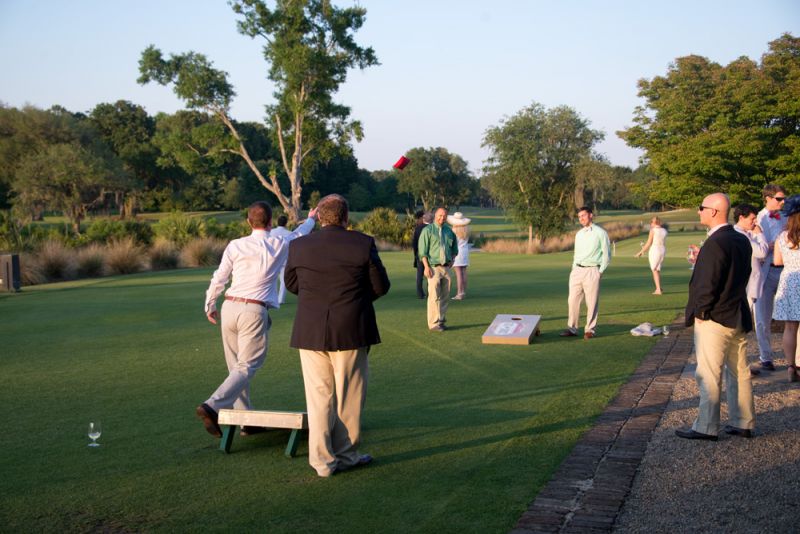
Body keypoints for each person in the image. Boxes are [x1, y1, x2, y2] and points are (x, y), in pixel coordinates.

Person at [285, 194, 390, 477]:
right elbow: (380, 286)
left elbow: (292, 284)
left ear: (319, 217)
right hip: (351, 328)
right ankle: (345, 454)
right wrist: (354, 300)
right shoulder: (362, 243)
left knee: (318, 398)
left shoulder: (299, 245)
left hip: (310, 330)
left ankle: (322, 462)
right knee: (349, 396)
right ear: (346, 218)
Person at [196, 202, 318, 438]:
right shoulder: (279, 242)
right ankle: (213, 405)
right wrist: (311, 218)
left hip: (230, 306)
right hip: (253, 310)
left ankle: (246, 421)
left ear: (249, 222)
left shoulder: (235, 244)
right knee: (247, 366)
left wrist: (210, 303)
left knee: (236, 367)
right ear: (271, 222)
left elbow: (220, 276)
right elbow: (300, 234)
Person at [675, 193, 755, 441]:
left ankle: (706, 426)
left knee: (708, 373)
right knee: (739, 371)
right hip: (737, 314)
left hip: (715, 317)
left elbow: (707, 284)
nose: (698, 211)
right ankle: (743, 421)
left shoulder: (716, 243)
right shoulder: (741, 240)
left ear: (713, 211)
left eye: (701, 208)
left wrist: (701, 312)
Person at [560, 206, 611, 339]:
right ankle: (572, 328)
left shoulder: (600, 233)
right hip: (577, 270)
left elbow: (607, 254)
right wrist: (573, 269)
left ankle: (590, 330)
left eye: (583, 215)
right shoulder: (579, 234)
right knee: (572, 300)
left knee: (592, 301)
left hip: (592, 270)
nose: (581, 219)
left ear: (590, 215)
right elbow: (576, 254)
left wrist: (600, 271)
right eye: (579, 217)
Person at [733, 203, 769, 377]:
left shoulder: (745, 234)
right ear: (741, 217)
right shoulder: (742, 235)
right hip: (746, 287)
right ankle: (740, 367)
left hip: (751, 285)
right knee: (741, 329)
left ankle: (742, 365)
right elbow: (761, 252)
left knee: (744, 329)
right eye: (752, 218)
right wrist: (760, 235)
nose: (755, 222)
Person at [754, 184, 788, 371]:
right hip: (766, 271)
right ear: (767, 198)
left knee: (792, 315)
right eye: (778, 198)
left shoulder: (787, 216)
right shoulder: (758, 218)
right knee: (762, 317)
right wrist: (772, 245)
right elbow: (756, 247)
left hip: (786, 270)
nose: (782, 202)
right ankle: (765, 356)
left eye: (783, 199)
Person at [771, 194, 800, 383]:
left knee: (790, 327)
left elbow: (777, 261)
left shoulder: (782, 236)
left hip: (789, 280)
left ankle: (790, 366)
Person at [419, 207, 458, 331]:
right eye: (440, 215)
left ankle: (441, 320)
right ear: (435, 215)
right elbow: (422, 252)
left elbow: (455, 249)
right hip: (433, 268)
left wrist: (453, 259)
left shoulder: (449, 231)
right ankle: (433, 323)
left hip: (446, 268)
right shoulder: (427, 230)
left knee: (445, 296)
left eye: (444, 216)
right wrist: (426, 267)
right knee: (434, 296)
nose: (442, 218)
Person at [635, 216, 668, 295]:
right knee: (657, 269)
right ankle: (658, 287)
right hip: (662, 249)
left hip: (655, 249)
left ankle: (658, 289)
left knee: (654, 270)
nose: (650, 224)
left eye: (651, 223)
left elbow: (649, 243)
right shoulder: (664, 230)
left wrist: (640, 252)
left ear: (653, 223)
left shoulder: (653, 230)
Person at [448, 211, 471, 300]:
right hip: (465, 251)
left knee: (458, 273)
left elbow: (452, 243)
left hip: (457, 252)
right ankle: (463, 291)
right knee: (464, 272)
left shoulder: (453, 230)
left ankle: (459, 293)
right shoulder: (466, 229)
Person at [269, 215, 292, 305]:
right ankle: (280, 299)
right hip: (285, 259)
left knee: (271, 279)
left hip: (272, 258)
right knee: (283, 281)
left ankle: (271, 298)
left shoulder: (271, 232)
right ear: (286, 223)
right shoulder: (289, 233)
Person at [411, 210, 431, 299]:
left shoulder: (418, 228)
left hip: (419, 254)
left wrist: (415, 253)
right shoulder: (433, 228)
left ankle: (420, 294)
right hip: (431, 255)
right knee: (431, 274)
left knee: (419, 275)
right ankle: (430, 292)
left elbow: (414, 243)